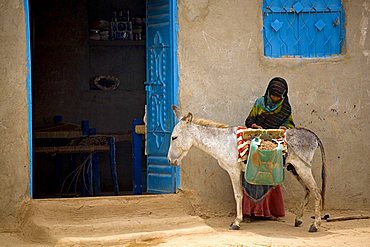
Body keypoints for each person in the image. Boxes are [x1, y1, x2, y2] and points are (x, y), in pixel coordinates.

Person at [243, 77, 295, 221]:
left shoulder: (285, 108)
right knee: (253, 171)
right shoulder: (260, 103)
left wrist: (283, 128)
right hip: (257, 142)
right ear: (268, 93)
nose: (275, 99)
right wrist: (255, 127)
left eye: (279, 97)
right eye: (273, 96)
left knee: (272, 172)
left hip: (274, 143)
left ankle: (269, 212)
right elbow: (249, 120)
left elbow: (290, 125)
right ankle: (250, 212)